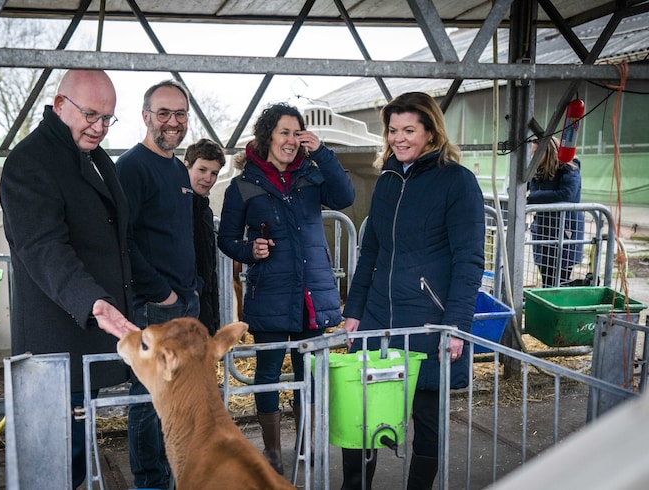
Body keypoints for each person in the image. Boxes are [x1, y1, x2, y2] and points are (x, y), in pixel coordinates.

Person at [0, 69, 140, 489]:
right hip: (59, 340)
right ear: (60, 105)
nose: (99, 127)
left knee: (77, 449)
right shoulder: (30, 163)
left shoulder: (92, 156)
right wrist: (93, 302)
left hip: (87, 336)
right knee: (57, 459)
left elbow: (115, 236)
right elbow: (44, 247)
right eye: (91, 115)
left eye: (108, 118)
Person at [341, 92, 485, 490]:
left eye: (409, 130)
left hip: (428, 320)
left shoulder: (457, 182)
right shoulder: (387, 180)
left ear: (431, 133)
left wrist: (455, 322)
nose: (399, 139)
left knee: (427, 420)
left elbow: (470, 259)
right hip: (377, 319)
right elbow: (371, 249)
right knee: (362, 413)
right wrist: (354, 310)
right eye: (392, 130)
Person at [217, 102, 355, 474]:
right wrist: (250, 250)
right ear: (268, 136)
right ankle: (274, 453)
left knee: (306, 372)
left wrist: (323, 151)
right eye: (284, 132)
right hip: (272, 294)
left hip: (311, 293)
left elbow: (345, 197)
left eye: (297, 133)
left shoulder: (311, 175)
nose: (291, 141)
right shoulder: (243, 185)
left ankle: (306, 444)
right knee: (267, 373)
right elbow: (227, 239)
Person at [115, 79, 199, 490]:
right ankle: (151, 483)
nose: (172, 121)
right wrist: (161, 292)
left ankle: (173, 476)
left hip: (184, 303)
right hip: (155, 306)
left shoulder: (176, 166)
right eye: (163, 113)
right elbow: (123, 241)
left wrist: (192, 289)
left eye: (179, 114)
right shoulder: (131, 168)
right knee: (150, 402)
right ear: (146, 116)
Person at [183, 138, 226, 335]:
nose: (208, 178)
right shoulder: (176, 207)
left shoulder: (205, 211)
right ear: (187, 167)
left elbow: (209, 267)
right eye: (202, 170)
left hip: (203, 303)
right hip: (183, 304)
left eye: (214, 173)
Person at [528, 136, 583, 288]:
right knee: (547, 278)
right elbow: (520, 187)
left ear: (548, 151)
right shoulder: (535, 170)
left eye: (536, 154)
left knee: (559, 278)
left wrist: (531, 198)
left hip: (564, 230)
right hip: (543, 230)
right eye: (532, 154)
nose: (533, 158)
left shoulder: (569, 167)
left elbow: (567, 193)